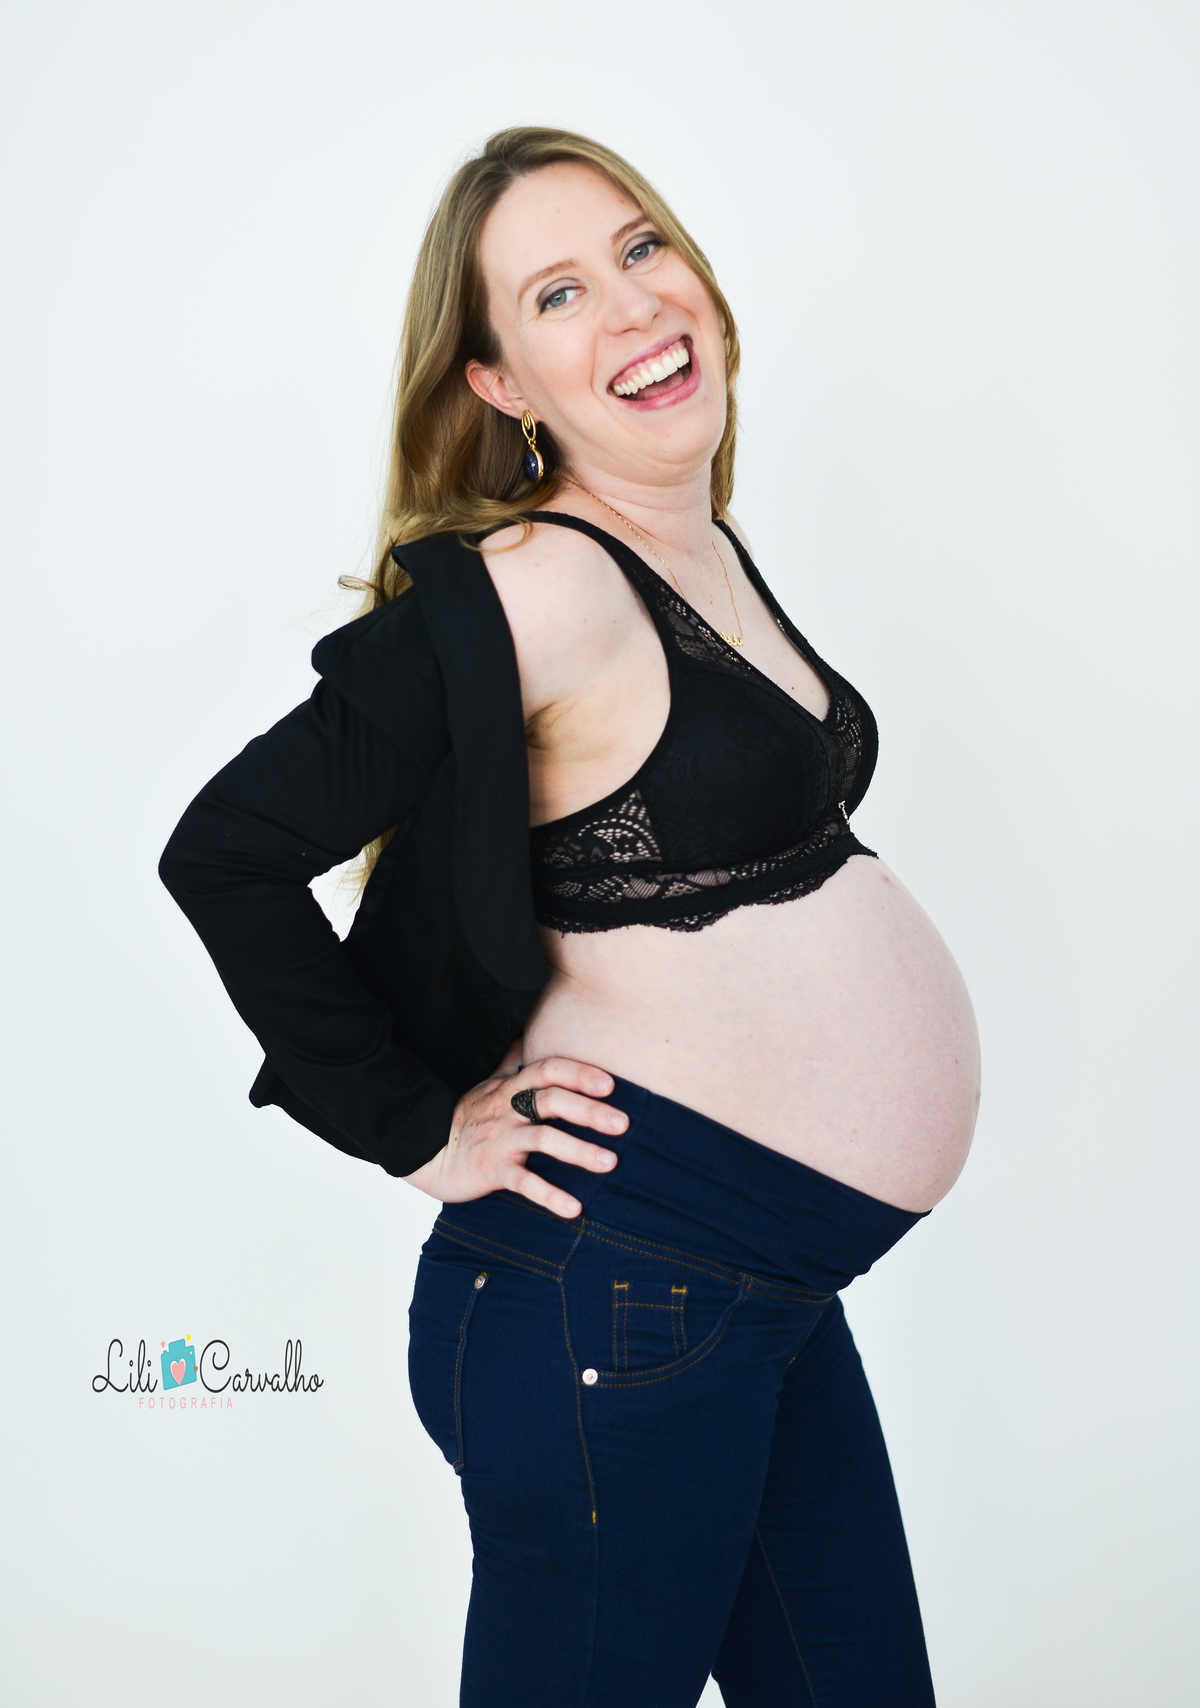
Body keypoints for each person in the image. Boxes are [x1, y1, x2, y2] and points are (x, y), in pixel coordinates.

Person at [160, 126, 981, 1708]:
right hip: (618, 1293)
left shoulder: (699, 542)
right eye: (555, 294)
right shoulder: (535, 583)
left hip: (756, 1289)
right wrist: (412, 1128)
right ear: (499, 387)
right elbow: (228, 848)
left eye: (640, 249)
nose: (631, 305)